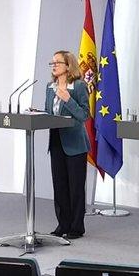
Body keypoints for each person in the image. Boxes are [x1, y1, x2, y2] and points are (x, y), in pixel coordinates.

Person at [45, 50, 90, 239]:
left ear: (68, 65)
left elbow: (83, 115)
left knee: (76, 187)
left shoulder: (78, 86)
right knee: (60, 185)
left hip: (75, 143)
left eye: (57, 62)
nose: (53, 65)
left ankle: (76, 227)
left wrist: (68, 100)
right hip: (56, 141)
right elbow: (49, 113)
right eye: (52, 63)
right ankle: (62, 224)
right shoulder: (50, 87)